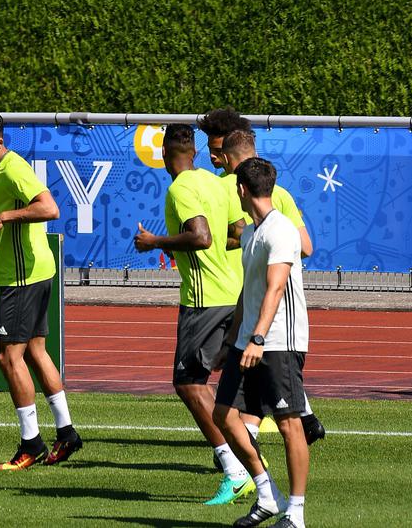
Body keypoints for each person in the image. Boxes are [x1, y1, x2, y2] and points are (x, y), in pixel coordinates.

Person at [0, 110, 82, 470]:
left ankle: (31, 443)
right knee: (36, 351)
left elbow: (49, 207)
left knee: (9, 357)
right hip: (31, 272)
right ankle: (67, 433)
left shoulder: (13, 168)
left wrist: (4, 218)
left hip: (22, 276)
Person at [133, 124, 249, 504]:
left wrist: (155, 243)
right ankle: (248, 457)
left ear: (165, 154)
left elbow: (201, 237)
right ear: (196, 153)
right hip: (234, 292)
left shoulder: (180, 188)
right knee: (223, 379)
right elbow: (238, 232)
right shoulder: (219, 184)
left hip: (204, 298)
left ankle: (235, 469)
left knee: (188, 383)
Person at [213, 158, 311, 528]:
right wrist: (232, 339)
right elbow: (248, 294)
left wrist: (257, 337)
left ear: (242, 189)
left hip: (278, 341)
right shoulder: (253, 234)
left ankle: (296, 513)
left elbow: (276, 287)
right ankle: (268, 495)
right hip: (247, 341)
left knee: (289, 424)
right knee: (223, 414)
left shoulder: (281, 231)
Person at [219, 129, 325, 446]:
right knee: (241, 399)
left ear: (226, 157)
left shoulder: (227, 190)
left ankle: (285, 488)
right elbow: (307, 247)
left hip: (253, 307)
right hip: (247, 304)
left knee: (272, 393)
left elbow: (300, 246)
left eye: (215, 149)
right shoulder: (278, 192)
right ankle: (257, 472)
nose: (212, 157)